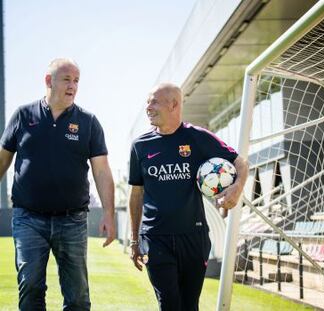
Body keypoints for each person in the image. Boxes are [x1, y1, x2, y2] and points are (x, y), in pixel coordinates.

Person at [0, 58, 116, 311]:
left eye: (76, 81)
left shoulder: (88, 121)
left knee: (77, 296)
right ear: (48, 81)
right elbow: (2, 160)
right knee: (30, 287)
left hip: (72, 220)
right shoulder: (23, 115)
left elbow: (102, 170)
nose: (73, 85)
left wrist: (108, 212)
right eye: (67, 79)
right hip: (28, 217)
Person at [128, 83, 248, 310]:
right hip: (156, 237)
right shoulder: (140, 146)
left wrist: (237, 187)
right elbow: (136, 193)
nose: (148, 107)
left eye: (154, 102)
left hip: (194, 237)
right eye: (147, 102)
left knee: (190, 305)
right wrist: (135, 240)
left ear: (173, 104)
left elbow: (240, 162)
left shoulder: (199, 138)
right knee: (170, 304)